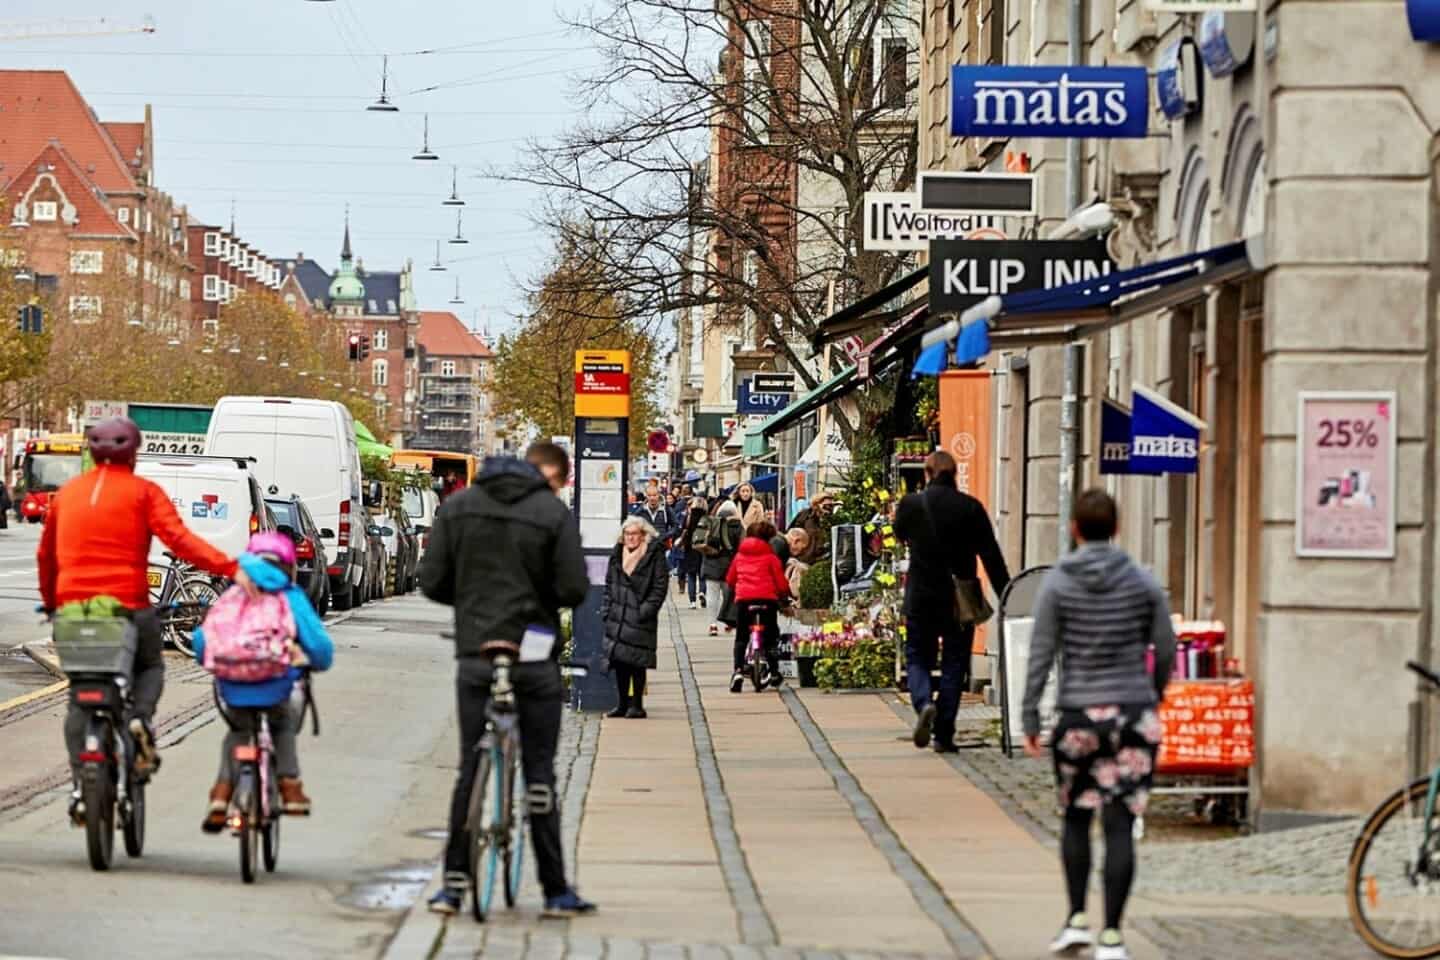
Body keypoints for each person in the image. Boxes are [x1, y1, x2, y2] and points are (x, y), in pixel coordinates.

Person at [419, 441, 597, 917]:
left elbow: (432, 581)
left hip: (477, 651)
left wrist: (474, 604)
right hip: (534, 653)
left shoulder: (458, 506)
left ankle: (453, 885)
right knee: (539, 771)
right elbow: (575, 587)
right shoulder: (551, 512)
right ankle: (556, 891)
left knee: (469, 767)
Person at [37, 417, 253, 808]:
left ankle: (81, 785)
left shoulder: (68, 495)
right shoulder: (143, 492)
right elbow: (180, 541)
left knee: (79, 698)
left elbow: (46, 556)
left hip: (74, 612)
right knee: (150, 666)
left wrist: (52, 602)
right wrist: (230, 568)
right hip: (127, 607)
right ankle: (138, 717)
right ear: (133, 453)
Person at [1021, 490, 1176, 960]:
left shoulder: (1059, 584)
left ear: (1073, 528)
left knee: (1076, 815)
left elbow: (1042, 653)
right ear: (1118, 526)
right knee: (1120, 819)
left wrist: (1030, 713)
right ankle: (1112, 935)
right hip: (1131, 712)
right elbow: (1166, 645)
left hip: (1077, 715)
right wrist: (1153, 692)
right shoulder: (1142, 581)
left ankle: (1075, 920)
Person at [193, 532, 334, 829]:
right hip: (275, 683)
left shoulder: (235, 593)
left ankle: (220, 795)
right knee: (281, 723)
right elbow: (320, 648)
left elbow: (203, 640)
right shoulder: (289, 595)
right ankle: (289, 787)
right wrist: (315, 663)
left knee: (237, 730)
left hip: (233, 686)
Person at [893, 450, 1010, 754]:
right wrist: (1007, 592)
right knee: (955, 664)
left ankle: (922, 704)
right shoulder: (970, 508)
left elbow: (899, 533)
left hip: (921, 595)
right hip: (959, 599)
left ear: (928, 473)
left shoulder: (911, 505)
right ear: (954, 474)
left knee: (918, 656)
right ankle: (944, 733)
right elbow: (991, 555)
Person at [600, 517, 668, 719]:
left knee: (637, 662)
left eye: (634, 534)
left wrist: (645, 610)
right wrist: (607, 608)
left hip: (639, 617)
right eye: (627, 534)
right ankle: (622, 704)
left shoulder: (653, 554)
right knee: (620, 662)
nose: (630, 538)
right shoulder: (617, 554)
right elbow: (609, 583)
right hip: (618, 615)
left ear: (643, 535)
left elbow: (659, 586)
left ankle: (637, 704)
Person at [724, 520, 791, 692]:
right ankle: (774, 672)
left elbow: (730, 579)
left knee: (741, 638)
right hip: (767, 600)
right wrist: (785, 597)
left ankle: (738, 670)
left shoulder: (739, 556)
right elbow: (781, 583)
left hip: (745, 600)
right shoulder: (771, 557)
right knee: (771, 637)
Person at [699, 499, 743, 637]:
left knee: (712, 596)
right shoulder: (738, 527)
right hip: (729, 566)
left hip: (711, 564)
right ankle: (728, 622)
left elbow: (700, 543)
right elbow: (742, 547)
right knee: (728, 596)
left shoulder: (711, 524)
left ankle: (712, 625)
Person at [678, 496, 708, 609]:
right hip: (703, 549)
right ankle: (702, 592)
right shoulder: (707, 517)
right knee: (702, 575)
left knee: (691, 576)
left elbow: (683, 531)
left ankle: (692, 602)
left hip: (690, 549)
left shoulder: (688, 517)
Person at [783, 528, 812, 598]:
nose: (801, 551)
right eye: (803, 548)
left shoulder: (781, 544)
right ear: (797, 540)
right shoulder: (780, 546)